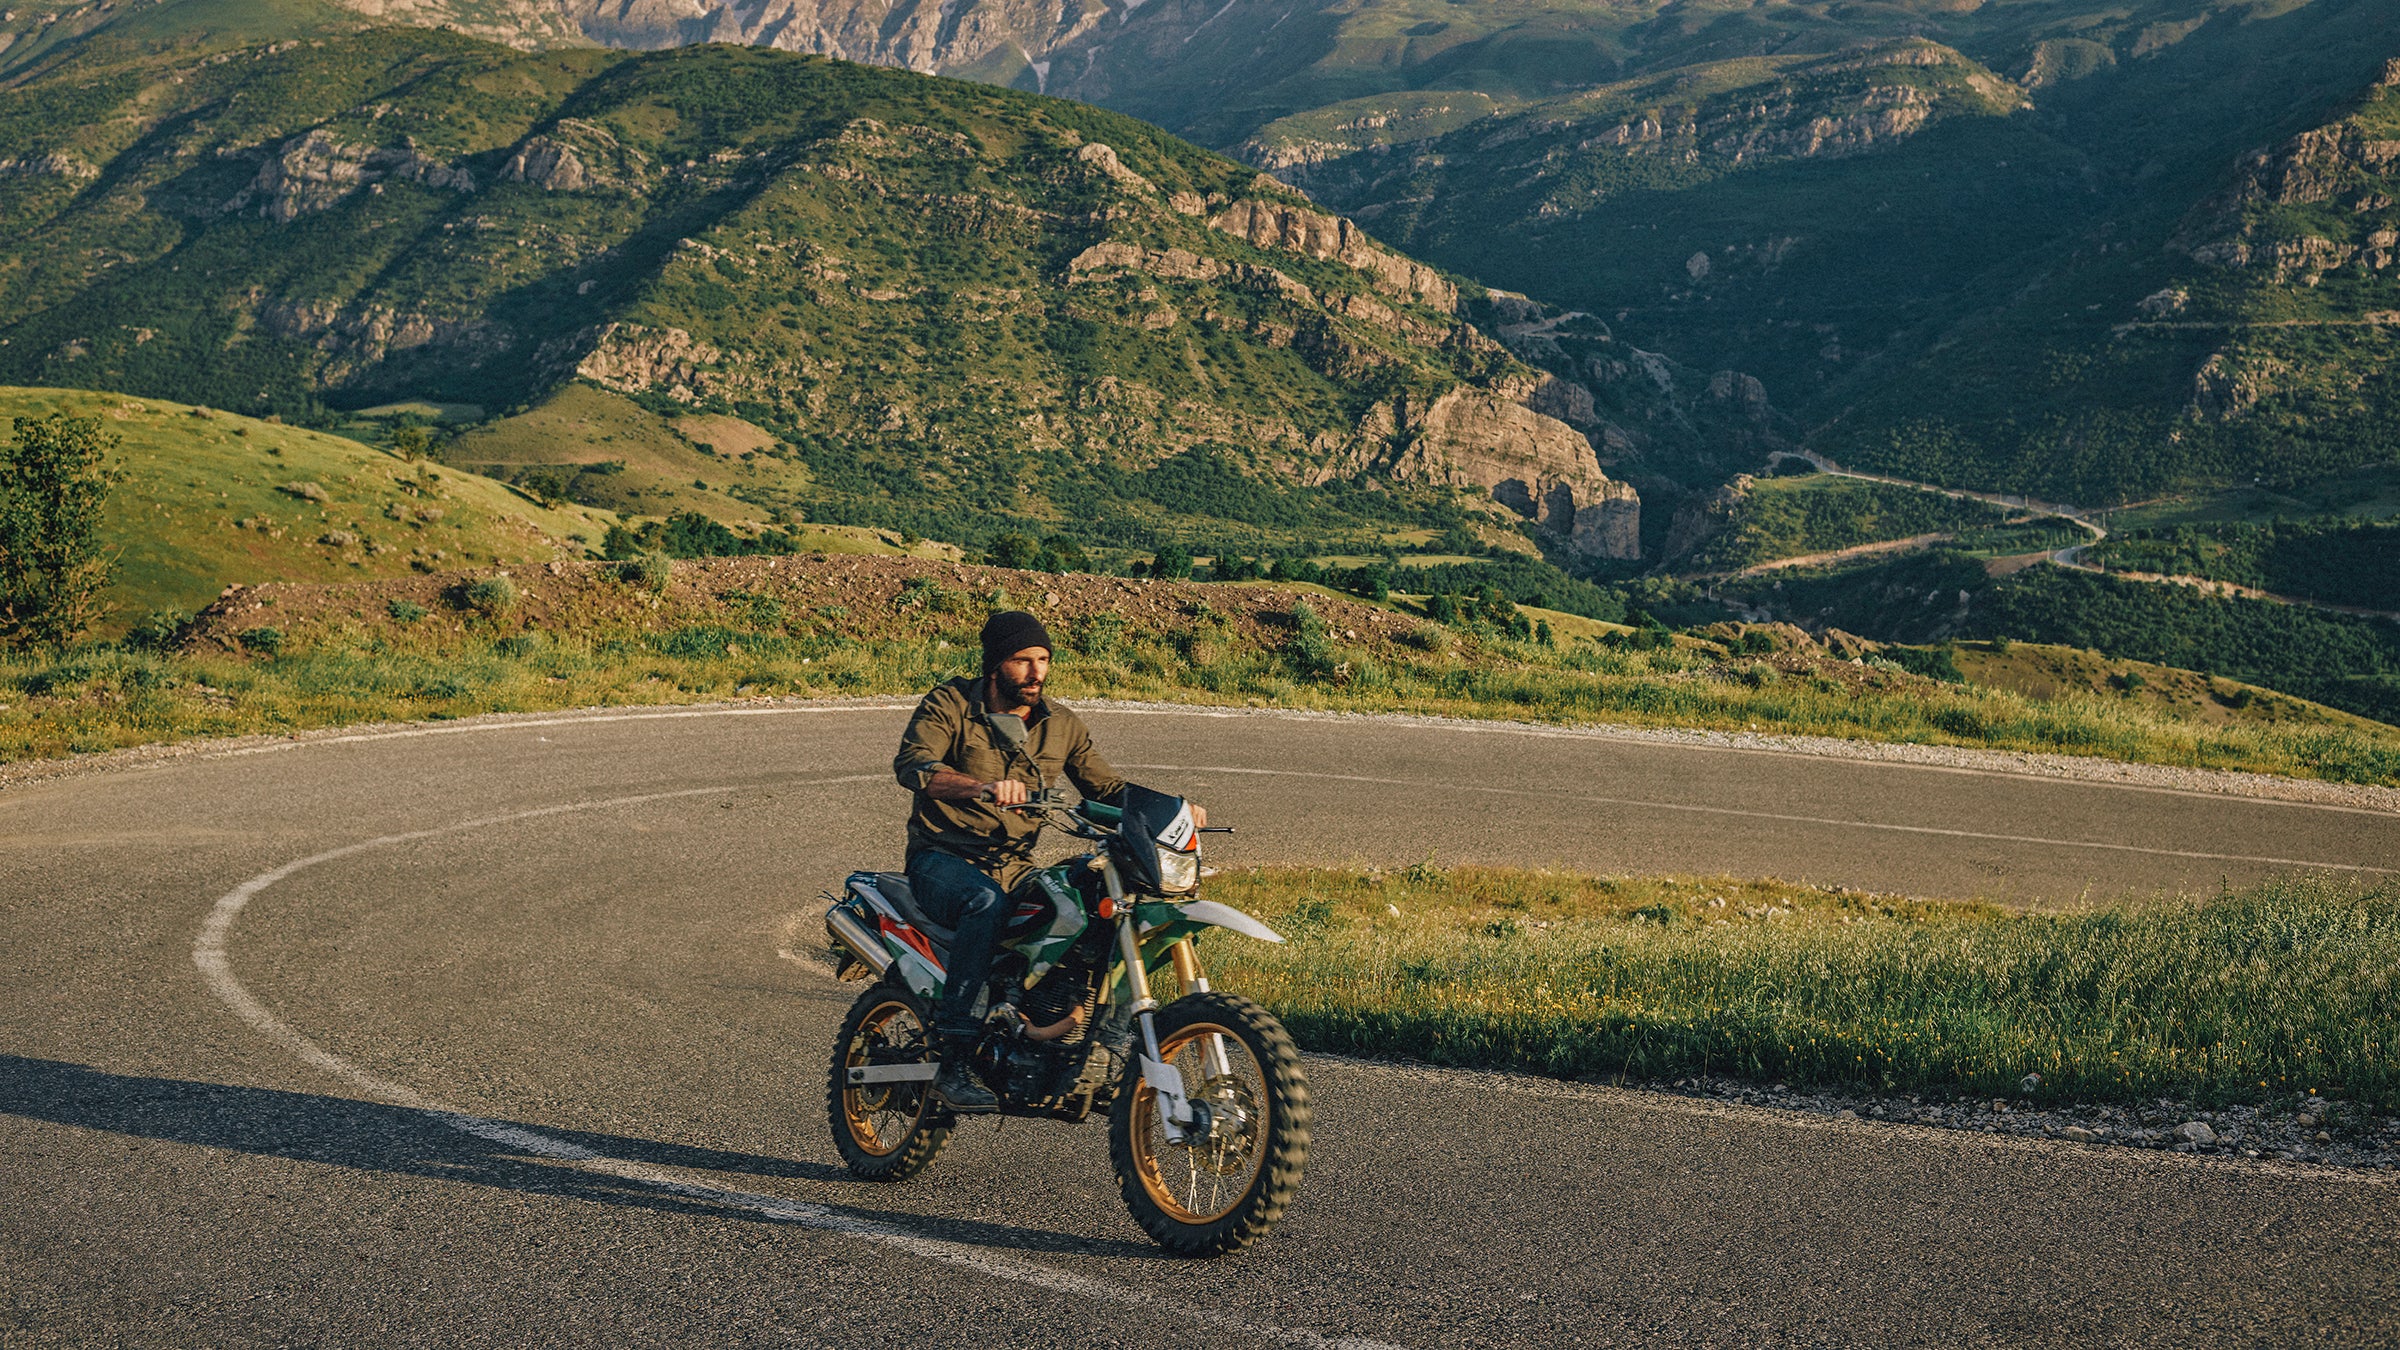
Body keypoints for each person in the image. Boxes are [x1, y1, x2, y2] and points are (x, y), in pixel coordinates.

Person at [893, 610, 1192, 1112]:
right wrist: (982, 787)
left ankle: (1078, 1045)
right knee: (985, 904)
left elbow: (1109, 788)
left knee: (1083, 903)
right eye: (1022, 660)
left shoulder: (1061, 726)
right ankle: (953, 1061)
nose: (1036, 672)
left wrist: (1175, 809)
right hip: (942, 858)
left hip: (1015, 863)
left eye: (1043, 660)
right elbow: (915, 765)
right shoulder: (950, 703)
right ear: (995, 666)